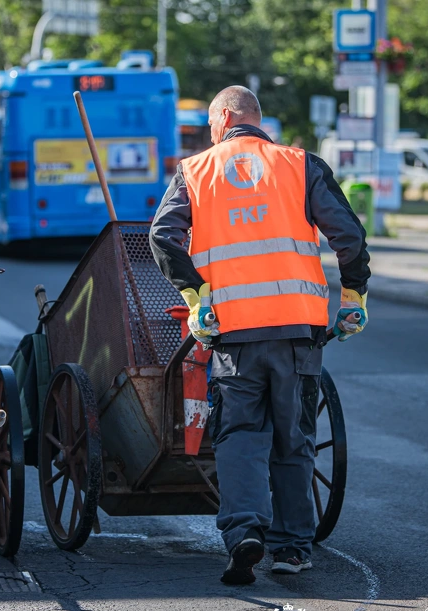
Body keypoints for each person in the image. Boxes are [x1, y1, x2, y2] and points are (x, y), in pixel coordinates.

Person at [149, 86, 371, 585]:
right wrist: (353, 295)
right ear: (254, 118)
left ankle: (245, 532)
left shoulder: (194, 171)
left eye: (211, 124)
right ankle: (292, 547)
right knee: (294, 439)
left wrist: (195, 297)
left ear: (224, 118)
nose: (211, 133)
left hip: (234, 334)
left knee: (241, 436)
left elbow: (162, 236)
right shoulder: (299, 164)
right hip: (297, 331)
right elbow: (349, 236)